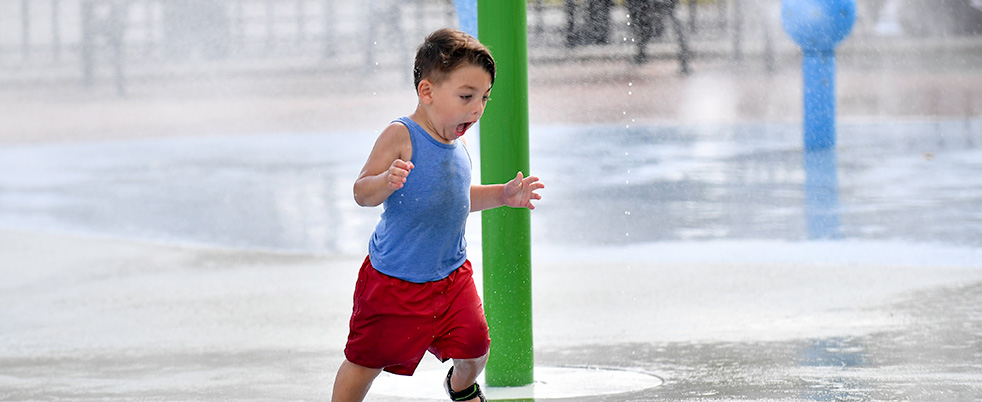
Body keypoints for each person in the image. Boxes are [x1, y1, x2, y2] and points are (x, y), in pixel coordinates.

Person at [331, 28, 545, 402]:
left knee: (476, 348)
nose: (477, 108)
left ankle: (460, 385)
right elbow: (361, 192)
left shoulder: (457, 143)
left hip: (450, 278)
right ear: (427, 92)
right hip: (393, 283)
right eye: (466, 96)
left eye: (484, 98)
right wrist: (386, 179)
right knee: (365, 362)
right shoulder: (401, 135)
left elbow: (456, 200)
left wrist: (503, 195)